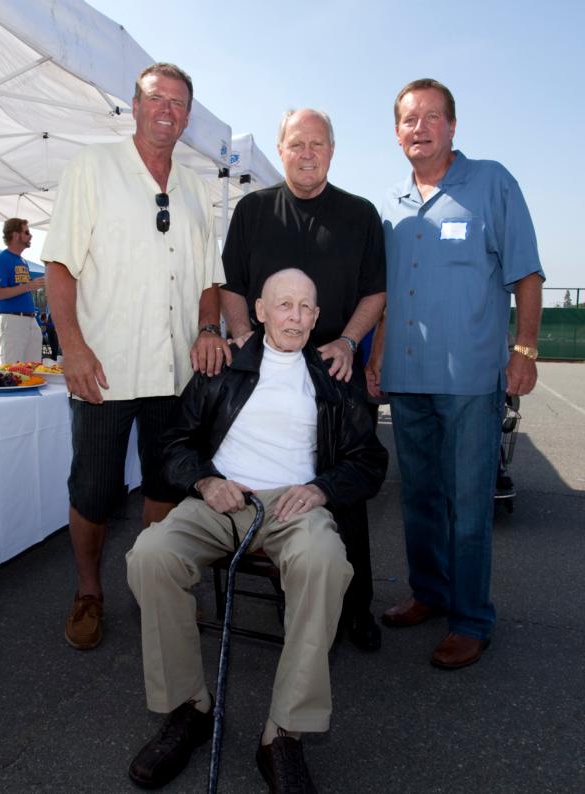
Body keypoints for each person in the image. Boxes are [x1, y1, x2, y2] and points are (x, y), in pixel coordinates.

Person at [126, 269, 388, 792]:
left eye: (305, 307)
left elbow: (369, 459)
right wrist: (204, 480)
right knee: (150, 555)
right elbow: (173, 444)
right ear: (261, 312)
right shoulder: (222, 365)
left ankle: (284, 734)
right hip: (223, 497)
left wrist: (323, 489)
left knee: (325, 564)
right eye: (283, 305)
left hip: (296, 504)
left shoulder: (334, 376)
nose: (295, 315)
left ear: (316, 318)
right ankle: (188, 710)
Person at [41, 63, 231, 651]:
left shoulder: (197, 188)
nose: (168, 110)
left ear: (188, 115)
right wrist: (71, 347)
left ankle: (152, 586)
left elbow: (210, 279)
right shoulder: (93, 167)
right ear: (135, 105)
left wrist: (207, 327)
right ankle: (89, 592)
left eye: (179, 103)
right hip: (104, 367)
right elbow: (60, 265)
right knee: (94, 491)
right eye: (157, 99)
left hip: (176, 372)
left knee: (165, 484)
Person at [366, 78, 544, 669]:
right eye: (410, 119)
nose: (421, 128)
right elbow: (387, 297)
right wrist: (376, 358)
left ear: (452, 126)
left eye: (433, 117)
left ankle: (471, 619)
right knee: (419, 497)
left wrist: (525, 349)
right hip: (408, 378)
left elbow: (527, 275)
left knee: (469, 504)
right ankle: (430, 593)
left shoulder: (492, 182)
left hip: (471, 379)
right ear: (397, 133)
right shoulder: (390, 205)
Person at [221, 108, 387, 651]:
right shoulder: (252, 210)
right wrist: (243, 332)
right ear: (282, 148)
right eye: (296, 144)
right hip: (264, 366)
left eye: (317, 143)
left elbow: (375, 292)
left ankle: (354, 607)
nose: (307, 153)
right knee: (274, 473)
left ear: (332, 150)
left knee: (344, 488)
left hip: (333, 368)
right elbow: (231, 283)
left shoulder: (360, 215)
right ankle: (292, 593)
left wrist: (347, 341)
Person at [0, 218, 45, 365]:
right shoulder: (1, 260)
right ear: (15, 235)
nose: (30, 236)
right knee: (12, 371)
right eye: (26, 232)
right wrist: (29, 286)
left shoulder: (23, 261)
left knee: (33, 371)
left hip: (29, 320)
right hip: (11, 320)